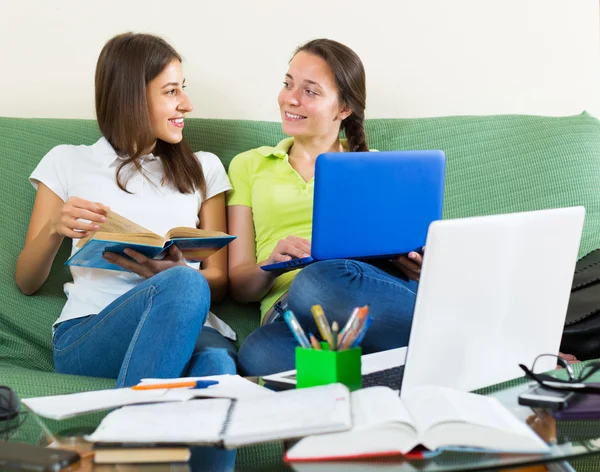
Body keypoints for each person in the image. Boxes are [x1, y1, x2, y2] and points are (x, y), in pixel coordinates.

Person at [15, 32, 237, 387]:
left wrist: (177, 272)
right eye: (171, 92)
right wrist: (55, 227)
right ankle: (132, 431)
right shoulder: (68, 160)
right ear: (130, 97)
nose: (187, 104)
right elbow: (27, 281)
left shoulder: (203, 168)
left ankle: (128, 433)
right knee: (184, 283)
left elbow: (220, 283)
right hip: (93, 329)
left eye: (183, 88)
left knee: (218, 367)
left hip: (189, 325)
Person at [227, 39, 423, 376]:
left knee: (320, 277)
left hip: (357, 296)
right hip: (289, 315)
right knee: (257, 353)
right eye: (288, 84)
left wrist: (414, 264)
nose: (291, 98)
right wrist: (270, 264)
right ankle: (409, 366)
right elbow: (239, 285)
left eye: (310, 91)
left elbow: (411, 263)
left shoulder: (375, 167)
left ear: (343, 108)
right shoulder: (249, 165)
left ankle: (454, 335)